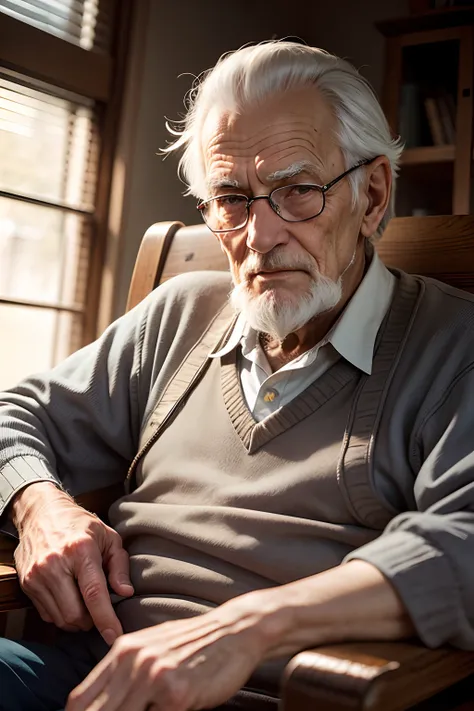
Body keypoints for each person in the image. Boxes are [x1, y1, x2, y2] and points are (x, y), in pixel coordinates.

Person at [1, 40, 474, 711]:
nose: (260, 234)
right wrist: (39, 506)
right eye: (231, 198)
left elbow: (466, 544)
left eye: (297, 191)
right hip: (89, 675)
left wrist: (245, 627)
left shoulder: (455, 346)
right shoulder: (179, 313)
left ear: (372, 196)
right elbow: (16, 416)